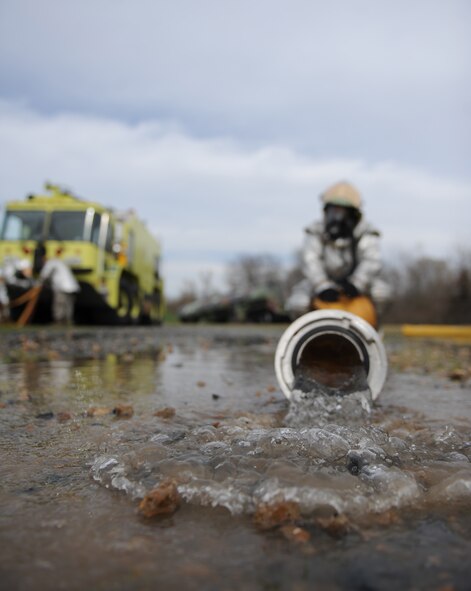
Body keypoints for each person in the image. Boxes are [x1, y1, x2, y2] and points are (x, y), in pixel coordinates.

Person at [285, 181, 391, 319]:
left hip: (357, 284)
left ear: (353, 214)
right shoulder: (316, 231)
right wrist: (322, 285)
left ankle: (372, 333)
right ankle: (307, 335)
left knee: (381, 293)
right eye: (332, 211)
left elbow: (371, 260)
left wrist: (357, 283)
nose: (336, 217)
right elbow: (310, 260)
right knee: (298, 303)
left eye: (341, 212)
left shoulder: (366, 232)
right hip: (321, 282)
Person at [35, 243, 80, 325]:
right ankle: (68, 321)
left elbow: (44, 275)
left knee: (59, 303)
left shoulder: (51, 262)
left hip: (62, 287)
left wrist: (37, 284)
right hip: (72, 287)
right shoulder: (59, 262)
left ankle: (59, 321)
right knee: (68, 304)